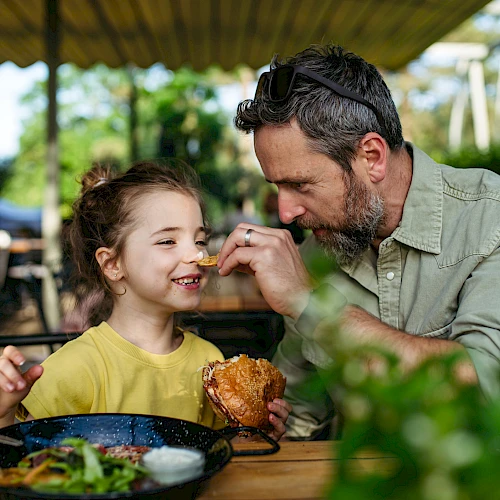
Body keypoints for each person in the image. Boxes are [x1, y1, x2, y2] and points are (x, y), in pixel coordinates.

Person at [216, 43, 500, 440]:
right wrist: (267, 422)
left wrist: (311, 304)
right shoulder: (315, 253)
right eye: (277, 186)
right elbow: (297, 416)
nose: (284, 213)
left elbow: (487, 386)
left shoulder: (489, 219)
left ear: (371, 156)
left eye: (299, 184)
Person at [0, 160, 291, 441]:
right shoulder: (74, 368)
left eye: (200, 240)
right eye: (168, 241)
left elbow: (219, 452)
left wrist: (254, 436)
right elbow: (25, 456)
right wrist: (4, 413)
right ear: (113, 264)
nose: (198, 255)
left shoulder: (211, 362)